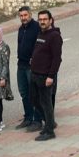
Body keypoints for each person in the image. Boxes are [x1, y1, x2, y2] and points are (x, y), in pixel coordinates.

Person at [30, 10, 63, 141]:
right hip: (34, 74)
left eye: (45, 19)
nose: (42, 21)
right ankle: (50, 122)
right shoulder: (40, 33)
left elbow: (57, 59)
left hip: (45, 77)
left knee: (46, 103)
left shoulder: (55, 36)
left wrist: (51, 76)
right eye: (40, 19)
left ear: (50, 20)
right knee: (34, 100)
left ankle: (49, 131)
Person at [16, 6, 42, 131]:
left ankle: (37, 121)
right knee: (24, 93)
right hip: (21, 65)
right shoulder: (21, 29)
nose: (23, 18)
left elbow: (40, 44)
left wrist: (35, 58)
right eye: (21, 16)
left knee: (34, 94)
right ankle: (28, 118)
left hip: (32, 66)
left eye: (25, 15)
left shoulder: (37, 27)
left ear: (30, 15)